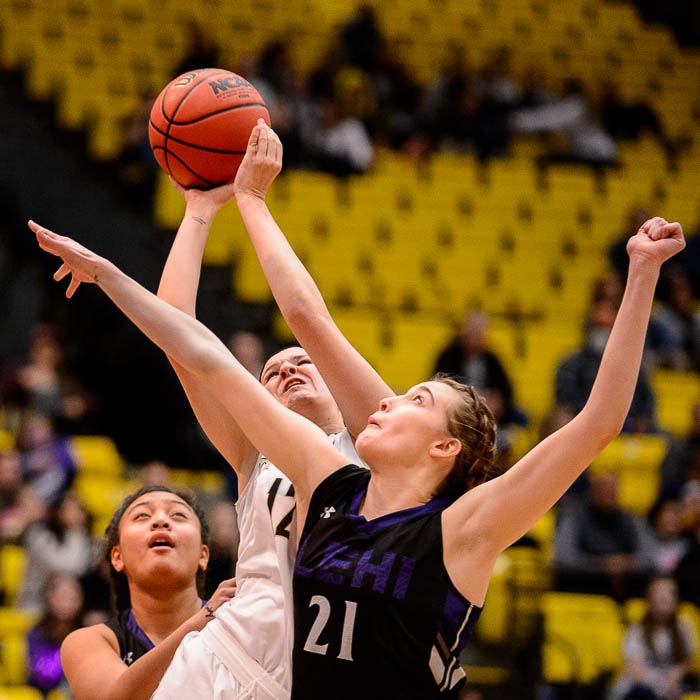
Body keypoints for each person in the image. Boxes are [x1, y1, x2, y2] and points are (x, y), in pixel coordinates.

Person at [29, 127, 685, 698]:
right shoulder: (316, 473)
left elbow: (598, 421)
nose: (285, 371)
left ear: (442, 447)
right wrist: (138, 260)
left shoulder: (431, 510)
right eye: (271, 372)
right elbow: (200, 351)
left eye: (412, 400)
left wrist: (640, 275)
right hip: (236, 661)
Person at [125, 124, 373, 698]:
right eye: (271, 373)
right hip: (222, 659)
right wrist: (198, 209)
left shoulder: (374, 443)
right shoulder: (253, 453)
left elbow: (311, 316)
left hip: (315, 675)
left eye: (301, 363)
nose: (286, 371)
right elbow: (177, 336)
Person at [58, 485, 237, 700]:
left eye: (178, 515)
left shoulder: (238, 625)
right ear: (117, 557)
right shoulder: (88, 642)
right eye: (142, 516)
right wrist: (200, 622)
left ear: (203, 555)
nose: (161, 521)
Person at [555, 297, 658, 434]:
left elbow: (647, 398)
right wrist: (594, 416)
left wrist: (641, 419)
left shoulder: (632, 365)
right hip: (584, 423)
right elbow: (565, 399)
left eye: (607, 327)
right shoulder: (572, 363)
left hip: (627, 424)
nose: (601, 332)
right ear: (588, 328)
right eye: (598, 326)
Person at [553, 469, 651, 601]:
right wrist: (601, 565)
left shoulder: (630, 519)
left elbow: (651, 557)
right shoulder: (574, 517)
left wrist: (626, 564)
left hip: (625, 593)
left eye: (613, 489)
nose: (609, 493)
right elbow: (564, 558)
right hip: (581, 591)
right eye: (604, 488)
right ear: (593, 490)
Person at [607, 575, 697, 700]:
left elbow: (687, 660)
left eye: (669, 592)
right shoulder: (636, 630)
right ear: (648, 599)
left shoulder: (683, 627)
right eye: (658, 592)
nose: (663, 597)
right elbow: (634, 669)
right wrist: (663, 685)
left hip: (671, 687)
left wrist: (676, 674)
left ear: (677, 599)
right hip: (638, 689)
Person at [18, 489, 94, 611]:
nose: (75, 514)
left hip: (70, 608)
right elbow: (70, 568)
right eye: (69, 509)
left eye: (78, 510)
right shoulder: (37, 534)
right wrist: (75, 531)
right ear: (57, 510)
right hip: (35, 605)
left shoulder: (85, 537)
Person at [27, 571, 85, 697]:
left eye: (73, 596)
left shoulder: (86, 633)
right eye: (63, 596)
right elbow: (41, 675)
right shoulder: (36, 633)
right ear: (49, 597)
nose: (67, 602)